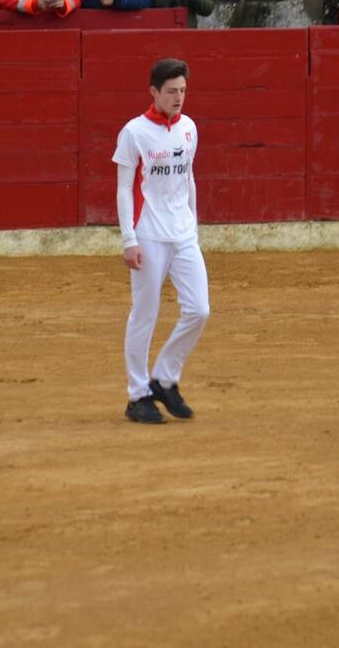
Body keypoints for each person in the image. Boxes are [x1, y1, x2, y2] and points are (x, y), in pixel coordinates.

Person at [112, 58, 210, 425]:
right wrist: (128, 239)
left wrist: (194, 229)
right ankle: (138, 395)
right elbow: (124, 189)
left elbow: (189, 180)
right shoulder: (134, 132)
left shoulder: (189, 128)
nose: (179, 98)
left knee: (199, 309)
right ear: (154, 92)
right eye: (171, 92)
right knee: (145, 314)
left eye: (183, 91)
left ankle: (164, 379)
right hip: (148, 235)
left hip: (183, 233)